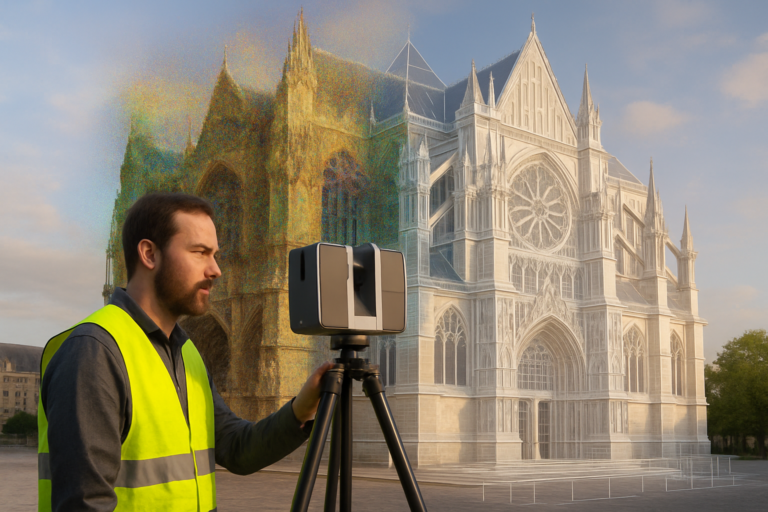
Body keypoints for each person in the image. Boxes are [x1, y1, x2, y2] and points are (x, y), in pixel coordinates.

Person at [38, 192, 330, 511]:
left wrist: (301, 409)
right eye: (200, 253)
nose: (216, 269)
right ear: (149, 254)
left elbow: (236, 448)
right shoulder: (94, 352)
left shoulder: (186, 352)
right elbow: (84, 503)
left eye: (215, 254)